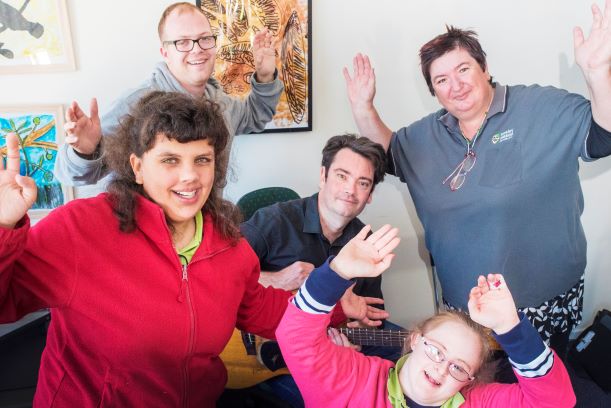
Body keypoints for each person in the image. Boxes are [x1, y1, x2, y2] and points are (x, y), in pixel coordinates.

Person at [0, 92, 383, 407]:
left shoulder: (228, 245)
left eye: (202, 160)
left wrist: (335, 305)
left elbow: (267, 311)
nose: (190, 176)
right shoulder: (81, 228)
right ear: (136, 166)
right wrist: (2, 227)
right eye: (170, 160)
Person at [343, 0, 611, 355]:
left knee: (542, 388)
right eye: (441, 80)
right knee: (477, 387)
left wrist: (598, 74)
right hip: (464, 306)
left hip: (544, 304)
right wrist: (364, 108)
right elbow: (387, 154)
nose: (455, 86)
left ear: (484, 68)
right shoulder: (426, 136)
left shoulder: (542, 108)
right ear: (433, 92)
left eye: (463, 69)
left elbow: (603, 135)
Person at [276, 225, 577, 407]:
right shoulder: (352, 379)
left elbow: (556, 402)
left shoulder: (476, 401)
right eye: (436, 351)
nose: (442, 370)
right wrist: (338, 273)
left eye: (459, 367)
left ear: (470, 380)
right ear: (416, 340)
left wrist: (511, 327)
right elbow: (294, 338)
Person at [241, 134, 403, 406]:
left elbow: (368, 316)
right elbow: (212, 273)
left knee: (404, 362)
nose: (350, 190)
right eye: (342, 176)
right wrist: (276, 279)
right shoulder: (275, 221)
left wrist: (356, 343)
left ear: (370, 194)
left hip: (332, 344)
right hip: (266, 355)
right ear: (323, 176)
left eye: (362, 183)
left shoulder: (367, 243)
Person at [54, 1, 283, 187]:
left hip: (203, 231)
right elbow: (70, 176)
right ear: (165, 52)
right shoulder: (137, 104)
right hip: (146, 236)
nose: (197, 49)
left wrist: (265, 75)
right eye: (182, 42)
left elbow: (253, 116)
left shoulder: (219, 100)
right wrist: (85, 152)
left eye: (204, 38)